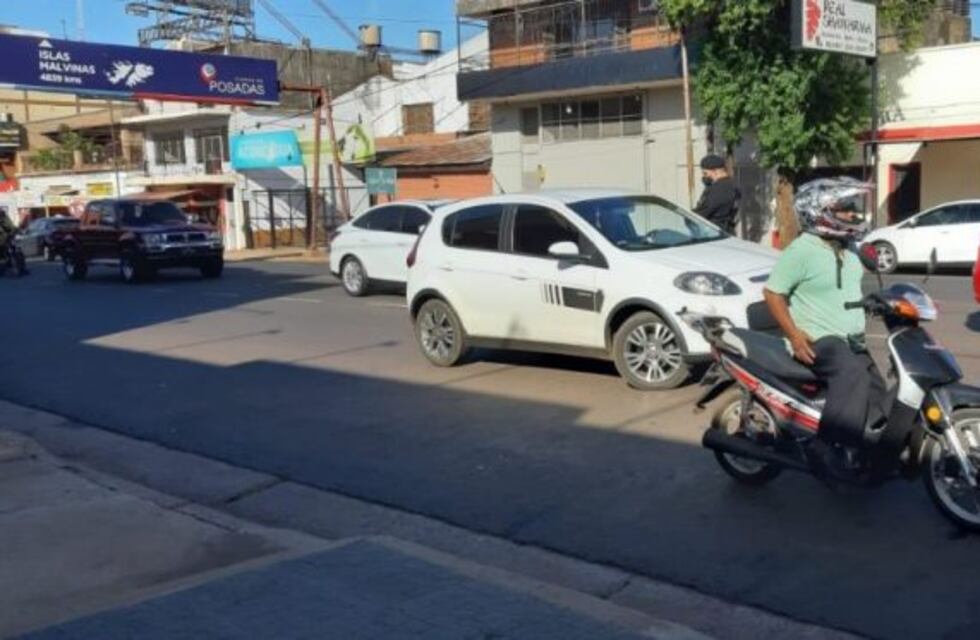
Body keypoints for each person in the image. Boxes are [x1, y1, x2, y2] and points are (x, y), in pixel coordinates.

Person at [763, 177, 886, 453]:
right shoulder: (801, 250)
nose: (853, 213)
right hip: (818, 339)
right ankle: (828, 447)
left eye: (852, 207)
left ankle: (871, 448)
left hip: (852, 339)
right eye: (845, 208)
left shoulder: (848, 246)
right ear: (821, 211)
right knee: (854, 375)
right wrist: (794, 336)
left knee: (879, 391)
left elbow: (847, 288)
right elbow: (773, 294)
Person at [694, 154, 740, 234]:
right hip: (728, 231)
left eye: (705, 173)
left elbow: (702, 213)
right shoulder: (733, 185)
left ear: (716, 171)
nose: (704, 177)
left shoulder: (718, 189)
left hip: (715, 232)